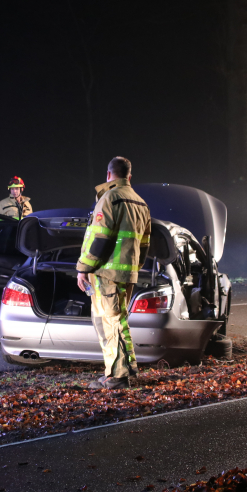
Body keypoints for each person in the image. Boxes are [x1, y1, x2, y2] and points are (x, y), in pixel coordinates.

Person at [76, 157, 151, 389]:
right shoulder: (141, 203)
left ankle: (117, 377)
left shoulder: (109, 198)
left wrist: (83, 268)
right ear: (129, 176)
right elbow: (145, 245)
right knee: (118, 322)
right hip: (126, 274)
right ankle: (124, 371)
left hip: (105, 273)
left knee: (109, 324)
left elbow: (99, 239)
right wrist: (133, 269)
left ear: (109, 175)